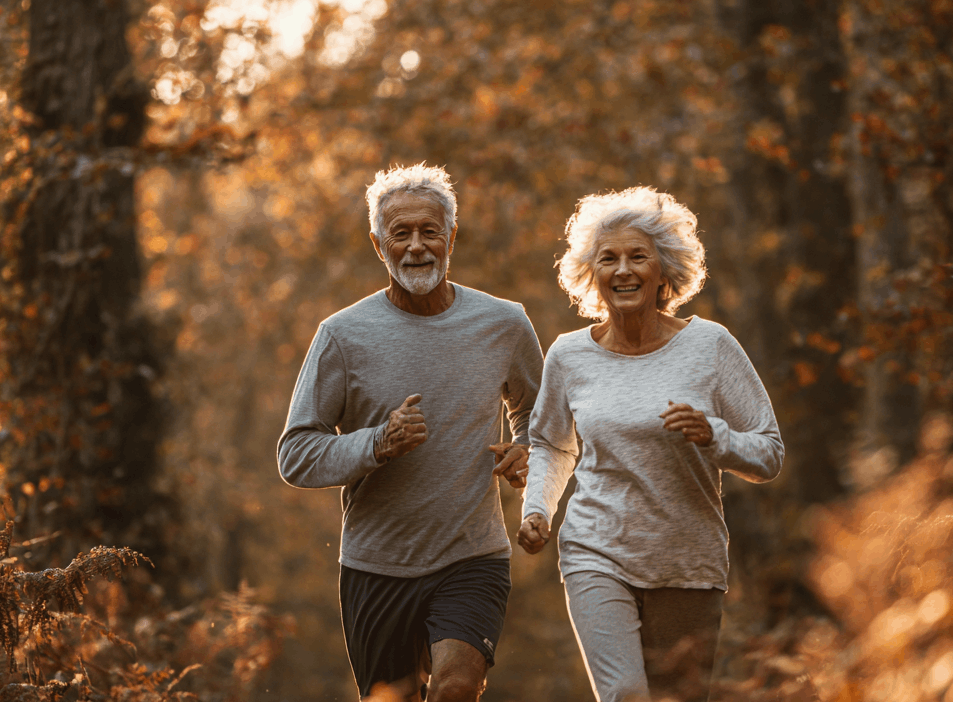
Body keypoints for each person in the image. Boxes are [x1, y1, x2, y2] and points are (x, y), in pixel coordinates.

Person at [277, 163, 543, 702]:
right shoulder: (342, 335)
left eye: (430, 231)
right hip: (376, 564)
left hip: (473, 556)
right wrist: (377, 443)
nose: (417, 246)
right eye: (401, 233)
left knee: (455, 687)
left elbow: (540, 416)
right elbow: (296, 454)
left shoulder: (504, 323)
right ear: (379, 245)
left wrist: (526, 449)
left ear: (452, 237)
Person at [517, 186, 784, 702]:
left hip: (687, 562)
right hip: (595, 550)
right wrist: (538, 509)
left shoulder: (710, 346)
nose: (623, 270)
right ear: (591, 272)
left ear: (665, 270)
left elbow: (769, 453)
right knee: (626, 694)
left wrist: (714, 435)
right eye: (608, 259)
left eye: (638, 256)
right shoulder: (569, 355)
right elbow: (551, 444)